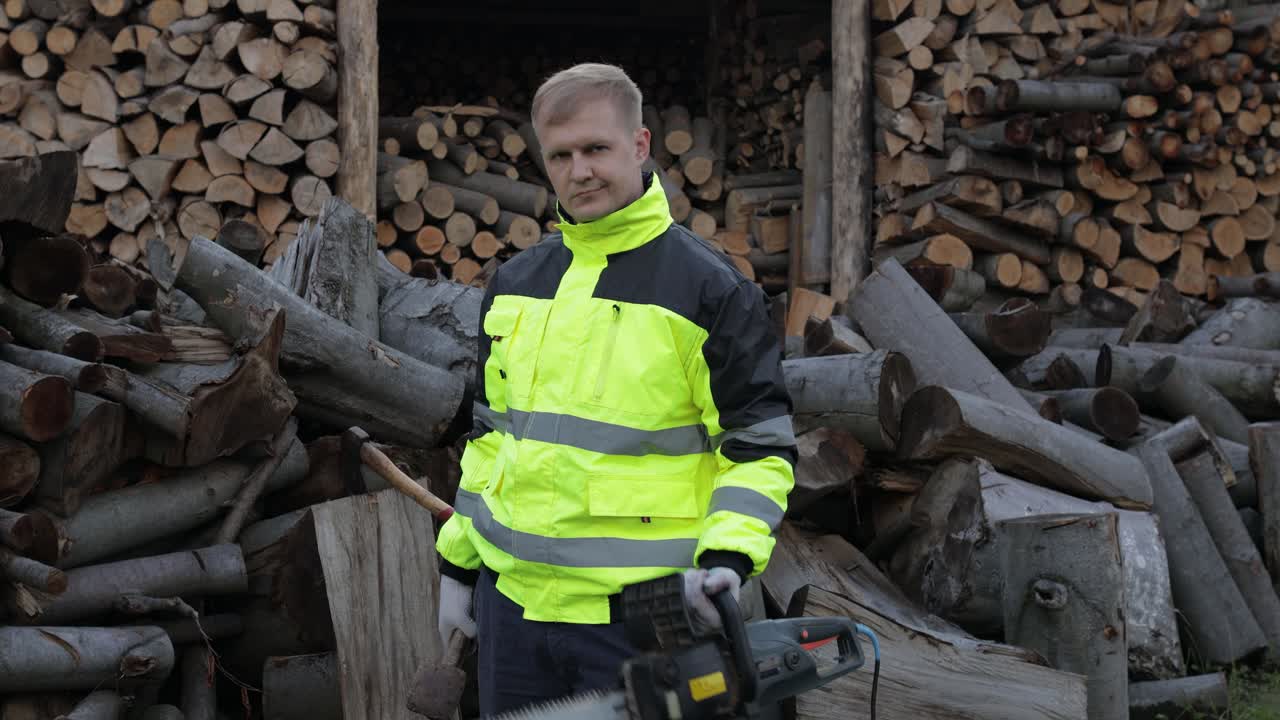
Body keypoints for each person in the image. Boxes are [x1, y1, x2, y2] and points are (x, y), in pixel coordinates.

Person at [434, 62, 797, 717]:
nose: (580, 171)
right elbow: (492, 438)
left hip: (644, 623)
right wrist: (459, 565)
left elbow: (758, 446)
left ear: (640, 145)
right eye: (561, 155)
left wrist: (726, 559)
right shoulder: (517, 283)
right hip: (513, 617)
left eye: (597, 149)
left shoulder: (709, 290)